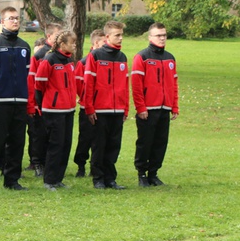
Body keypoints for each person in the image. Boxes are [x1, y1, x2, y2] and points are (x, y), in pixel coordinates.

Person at [0, 7, 31, 191]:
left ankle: (12, 180)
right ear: (2, 22)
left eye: (17, 18)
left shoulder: (24, 46)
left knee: (17, 142)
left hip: (19, 102)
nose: (15, 21)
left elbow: (26, 73)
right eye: (11, 18)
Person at [132, 23, 179, 187]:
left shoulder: (170, 58)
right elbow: (136, 86)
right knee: (145, 142)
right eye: (158, 35)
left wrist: (174, 106)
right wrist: (141, 107)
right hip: (148, 109)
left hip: (164, 108)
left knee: (160, 143)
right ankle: (142, 174)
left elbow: (174, 84)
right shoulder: (142, 57)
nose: (162, 38)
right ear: (150, 37)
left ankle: (153, 173)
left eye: (164, 35)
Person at [84, 21, 129, 190]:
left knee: (113, 146)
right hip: (100, 110)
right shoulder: (96, 56)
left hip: (117, 110)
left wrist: (125, 108)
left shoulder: (122, 57)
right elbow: (88, 84)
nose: (120, 38)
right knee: (99, 145)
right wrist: (89, 107)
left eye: (122, 35)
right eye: (117, 35)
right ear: (107, 36)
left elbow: (125, 85)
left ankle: (110, 179)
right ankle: (98, 178)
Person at [34, 30, 78, 191]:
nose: (74, 45)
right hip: (53, 110)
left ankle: (58, 178)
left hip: (69, 109)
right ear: (62, 44)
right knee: (55, 145)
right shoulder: (49, 59)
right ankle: (49, 180)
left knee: (66, 145)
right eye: (72, 42)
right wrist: (46, 103)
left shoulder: (69, 60)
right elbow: (39, 84)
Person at [27, 22, 63, 177]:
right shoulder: (41, 55)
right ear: (49, 36)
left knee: (52, 136)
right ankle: (37, 163)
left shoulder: (61, 54)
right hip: (41, 103)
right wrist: (33, 104)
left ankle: (50, 163)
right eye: (57, 35)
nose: (60, 38)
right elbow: (33, 81)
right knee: (39, 135)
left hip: (56, 104)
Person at [73, 29, 106, 177]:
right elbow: (78, 84)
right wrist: (86, 98)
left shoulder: (107, 60)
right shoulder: (84, 62)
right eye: (104, 42)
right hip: (86, 107)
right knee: (85, 138)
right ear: (96, 43)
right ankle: (81, 165)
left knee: (100, 139)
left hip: (102, 107)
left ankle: (97, 166)